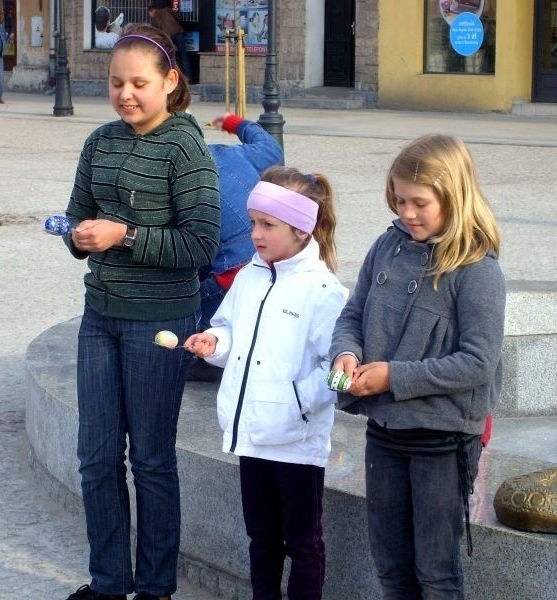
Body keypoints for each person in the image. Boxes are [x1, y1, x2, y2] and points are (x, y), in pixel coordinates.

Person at [61, 22, 221, 600]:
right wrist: (78, 236)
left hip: (161, 321)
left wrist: (124, 234)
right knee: (96, 457)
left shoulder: (186, 146)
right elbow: (77, 217)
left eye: (138, 83)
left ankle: (155, 588)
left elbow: (200, 245)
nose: (125, 94)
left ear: (169, 81)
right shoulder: (99, 142)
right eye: (115, 82)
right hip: (99, 316)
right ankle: (109, 583)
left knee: (151, 460)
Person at [329, 133, 506, 599]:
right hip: (385, 433)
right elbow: (352, 314)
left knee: (435, 572)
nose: (406, 213)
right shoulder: (387, 247)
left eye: (419, 203)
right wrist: (346, 354)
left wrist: (394, 376)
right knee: (390, 566)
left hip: (442, 441)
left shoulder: (478, 270)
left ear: (454, 195)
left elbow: (479, 362)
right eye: (398, 200)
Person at [185, 167, 348, 600]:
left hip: (296, 443)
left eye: (267, 224)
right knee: (261, 539)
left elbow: (338, 370)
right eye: (253, 221)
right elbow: (229, 328)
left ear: (300, 228)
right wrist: (213, 342)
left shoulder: (324, 292)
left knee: (304, 544)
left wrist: (296, 403)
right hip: (251, 433)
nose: (255, 233)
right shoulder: (249, 276)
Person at [187, 112, 283, 382]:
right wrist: (233, 122)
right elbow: (272, 149)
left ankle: (208, 357)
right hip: (266, 262)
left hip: (230, 275)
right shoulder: (232, 154)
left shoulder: (179, 173)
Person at [147, 2, 192, 80]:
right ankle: (188, 76)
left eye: (150, 14)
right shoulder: (167, 10)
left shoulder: (155, 18)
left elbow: (156, 31)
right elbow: (178, 17)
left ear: (151, 11)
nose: (150, 16)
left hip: (168, 37)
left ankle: (171, 76)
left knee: (170, 56)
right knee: (184, 55)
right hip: (178, 32)